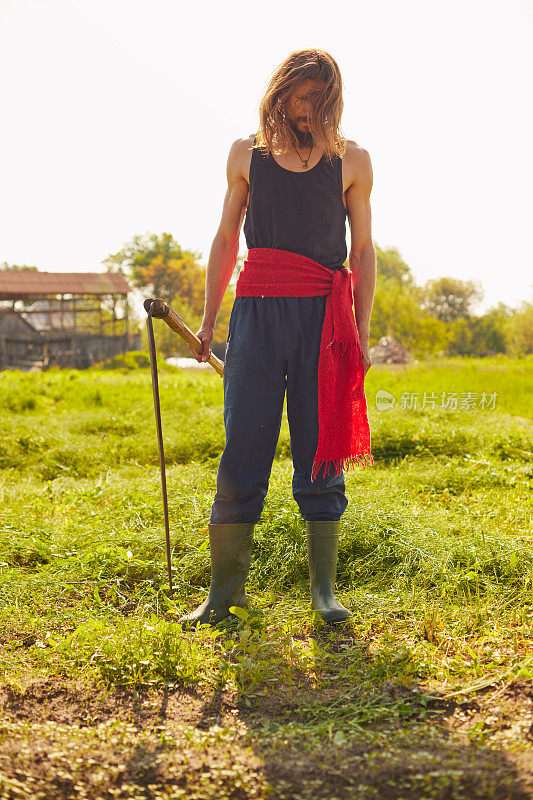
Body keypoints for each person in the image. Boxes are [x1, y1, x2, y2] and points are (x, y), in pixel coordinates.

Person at [180, 48, 376, 628]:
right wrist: (210, 321)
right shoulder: (247, 155)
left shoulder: (353, 161)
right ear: (281, 92)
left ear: (332, 101)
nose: (308, 107)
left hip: (324, 321)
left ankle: (323, 591)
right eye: (300, 94)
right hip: (257, 317)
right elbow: (224, 241)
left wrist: (362, 332)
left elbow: (363, 252)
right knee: (244, 444)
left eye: (320, 98)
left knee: (320, 447)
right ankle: (224, 592)